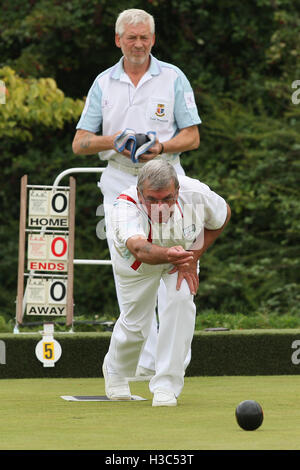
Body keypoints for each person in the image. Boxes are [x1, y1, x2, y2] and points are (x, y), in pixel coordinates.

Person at [72, 8, 201, 377]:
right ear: (118, 40)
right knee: (131, 268)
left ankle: (170, 366)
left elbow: (192, 136)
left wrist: (158, 147)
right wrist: (115, 139)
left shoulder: (173, 77)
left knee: (172, 262)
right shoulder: (103, 83)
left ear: (153, 39)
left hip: (165, 182)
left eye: (145, 37)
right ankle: (143, 367)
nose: (139, 44)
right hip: (120, 181)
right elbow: (80, 143)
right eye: (132, 37)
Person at [102, 160, 231, 406]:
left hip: (181, 258)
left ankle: (166, 386)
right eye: (152, 199)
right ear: (140, 194)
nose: (160, 206)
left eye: (167, 199)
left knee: (181, 302)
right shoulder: (123, 206)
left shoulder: (196, 193)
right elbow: (139, 248)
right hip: (137, 263)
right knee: (136, 323)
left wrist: (194, 256)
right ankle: (116, 370)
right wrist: (170, 254)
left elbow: (223, 214)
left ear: (178, 191)